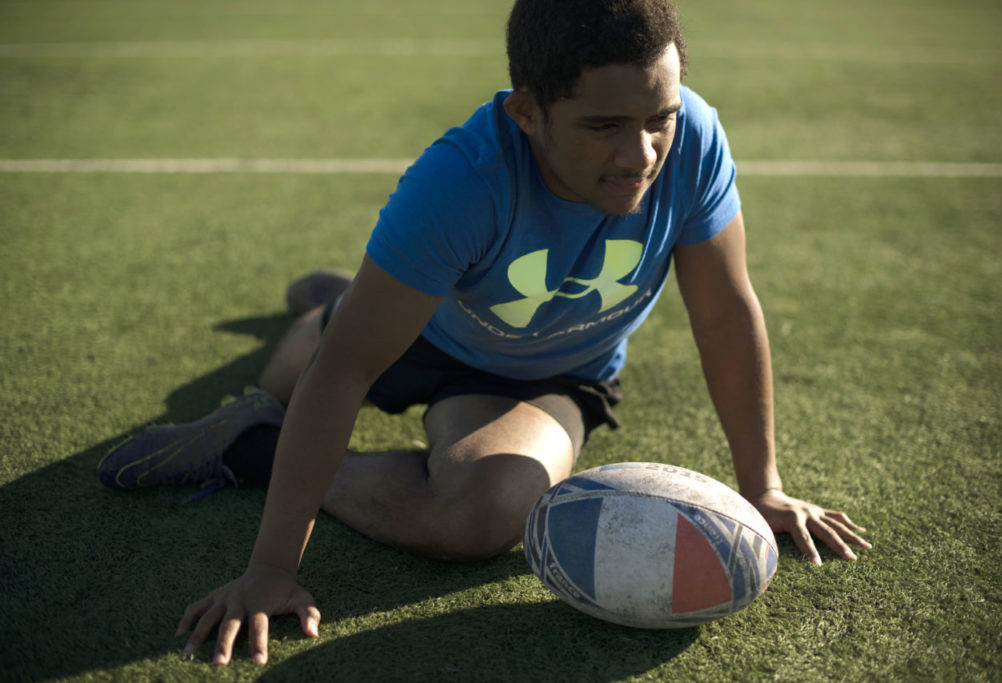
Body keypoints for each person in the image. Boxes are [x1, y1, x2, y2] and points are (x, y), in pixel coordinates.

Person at [99, 0, 870, 666]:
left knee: (483, 513)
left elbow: (726, 315)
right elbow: (347, 370)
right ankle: (352, 299)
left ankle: (250, 444)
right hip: (419, 338)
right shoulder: (462, 180)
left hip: (545, 372)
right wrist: (269, 567)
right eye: (604, 125)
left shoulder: (693, 141)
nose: (641, 155)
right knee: (300, 369)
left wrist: (762, 484)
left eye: (657, 120)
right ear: (527, 113)